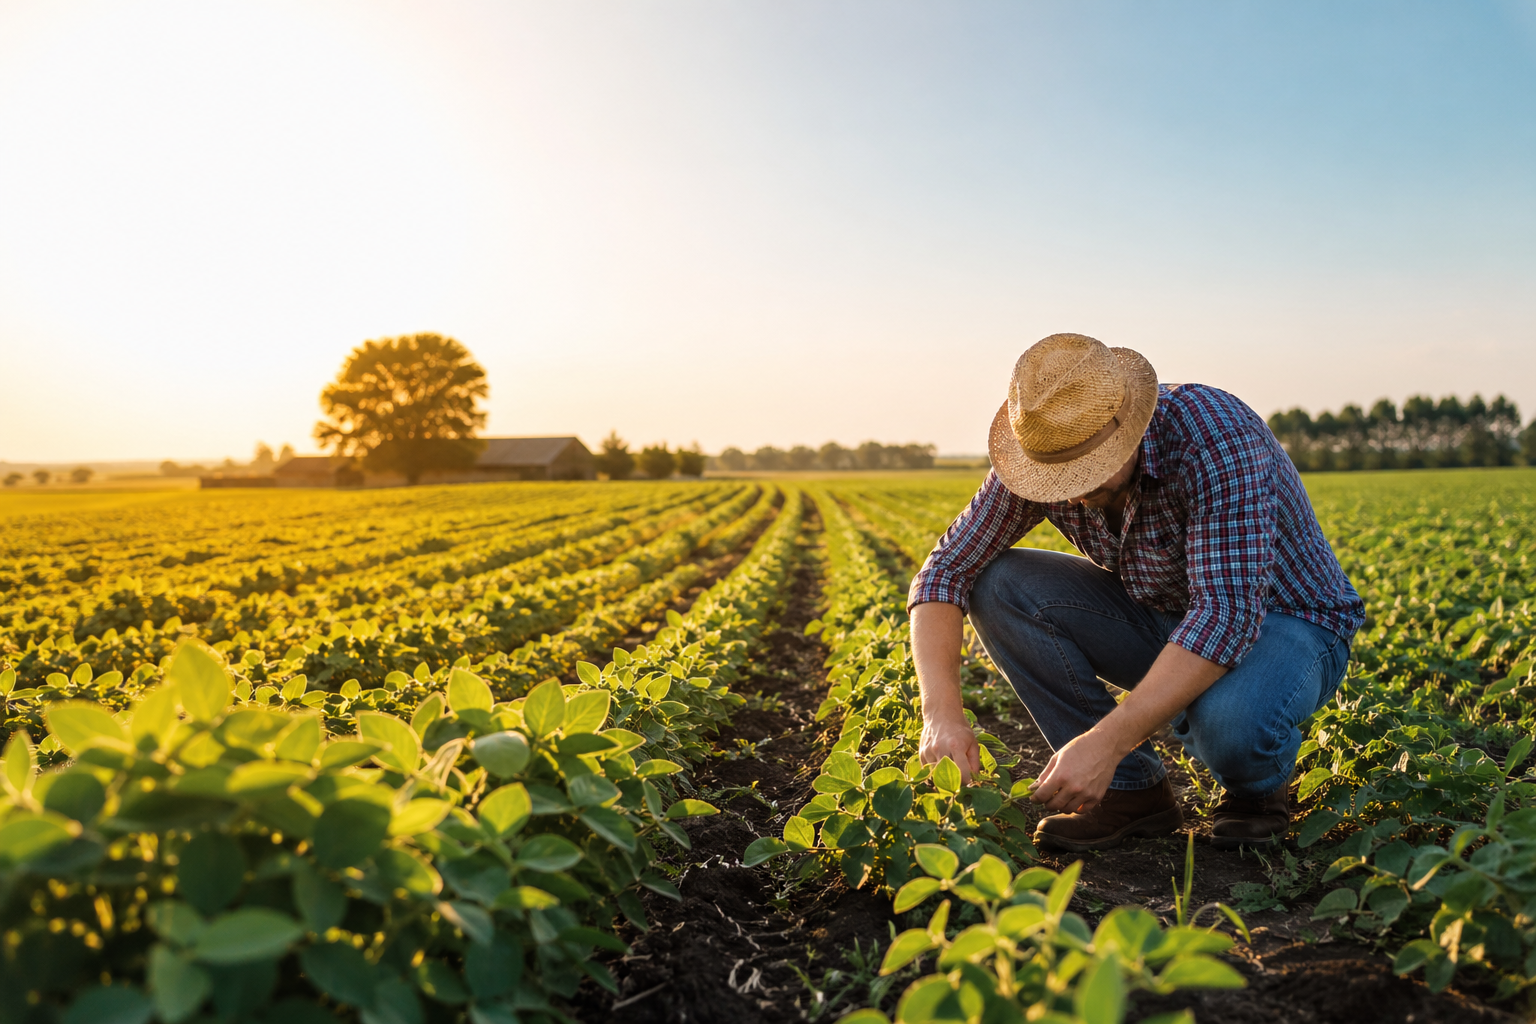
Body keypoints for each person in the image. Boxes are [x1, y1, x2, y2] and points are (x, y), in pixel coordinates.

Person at [910, 333, 1363, 852]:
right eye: (1055, 479)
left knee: (1230, 727)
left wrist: (1106, 741)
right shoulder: (1041, 450)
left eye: (1090, 471)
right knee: (999, 584)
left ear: (1132, 424)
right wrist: (940, 716)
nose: (1075, 493)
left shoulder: (1215, 435)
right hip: (1164, 615)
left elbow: (1224, 617)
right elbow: (944, 572)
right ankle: (1131, 794)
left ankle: (1256, 791)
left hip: (1285, 619)